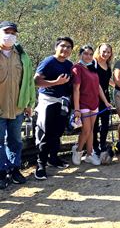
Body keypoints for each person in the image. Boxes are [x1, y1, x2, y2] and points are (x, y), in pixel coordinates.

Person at [0, 21, 35, 189]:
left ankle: (14, 169)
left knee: (15, 140)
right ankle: (1, 172)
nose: (10, 35)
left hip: (17, 106)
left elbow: (28, 82)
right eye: (7, 31)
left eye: (14, 32)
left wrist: (29, 103)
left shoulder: (22, 56)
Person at [34, 37, 74, 180]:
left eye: (69, 47)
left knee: (57, 132)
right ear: (56, 47)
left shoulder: (69, 64)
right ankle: (40, 165)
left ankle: (53, 158)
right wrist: (55, 82)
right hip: (48, 101)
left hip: (63, 102)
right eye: (62, 46)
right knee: (46, 133)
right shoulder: (48, 62)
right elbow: (36, 81)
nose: (65, 49)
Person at [71, 45, 112, 166]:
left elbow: (98, 86)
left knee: (91, 130)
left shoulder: (92, 67)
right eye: (85, 54)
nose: (88, 56)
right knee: (87, 130)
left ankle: (89, 154)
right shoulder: (77, 68)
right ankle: (78, 151)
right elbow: (76, 89)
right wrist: (77, 108)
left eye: (90, 54)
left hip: (94, 103)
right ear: (80, 54)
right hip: (83, 103)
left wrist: (105, 101)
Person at [93, 43, 114, 156]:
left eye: (108, 52)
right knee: (94, 124)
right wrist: (105, 101)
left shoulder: (107, 64)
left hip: (105, 96)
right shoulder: (94, 63)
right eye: (104, 51)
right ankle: (94, 146)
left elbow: (107, 80)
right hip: (95, 98)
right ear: (99, 50)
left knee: (105, 123)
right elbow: (97, 84)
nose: (106, 54)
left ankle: (103, 144)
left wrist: (118, 86)